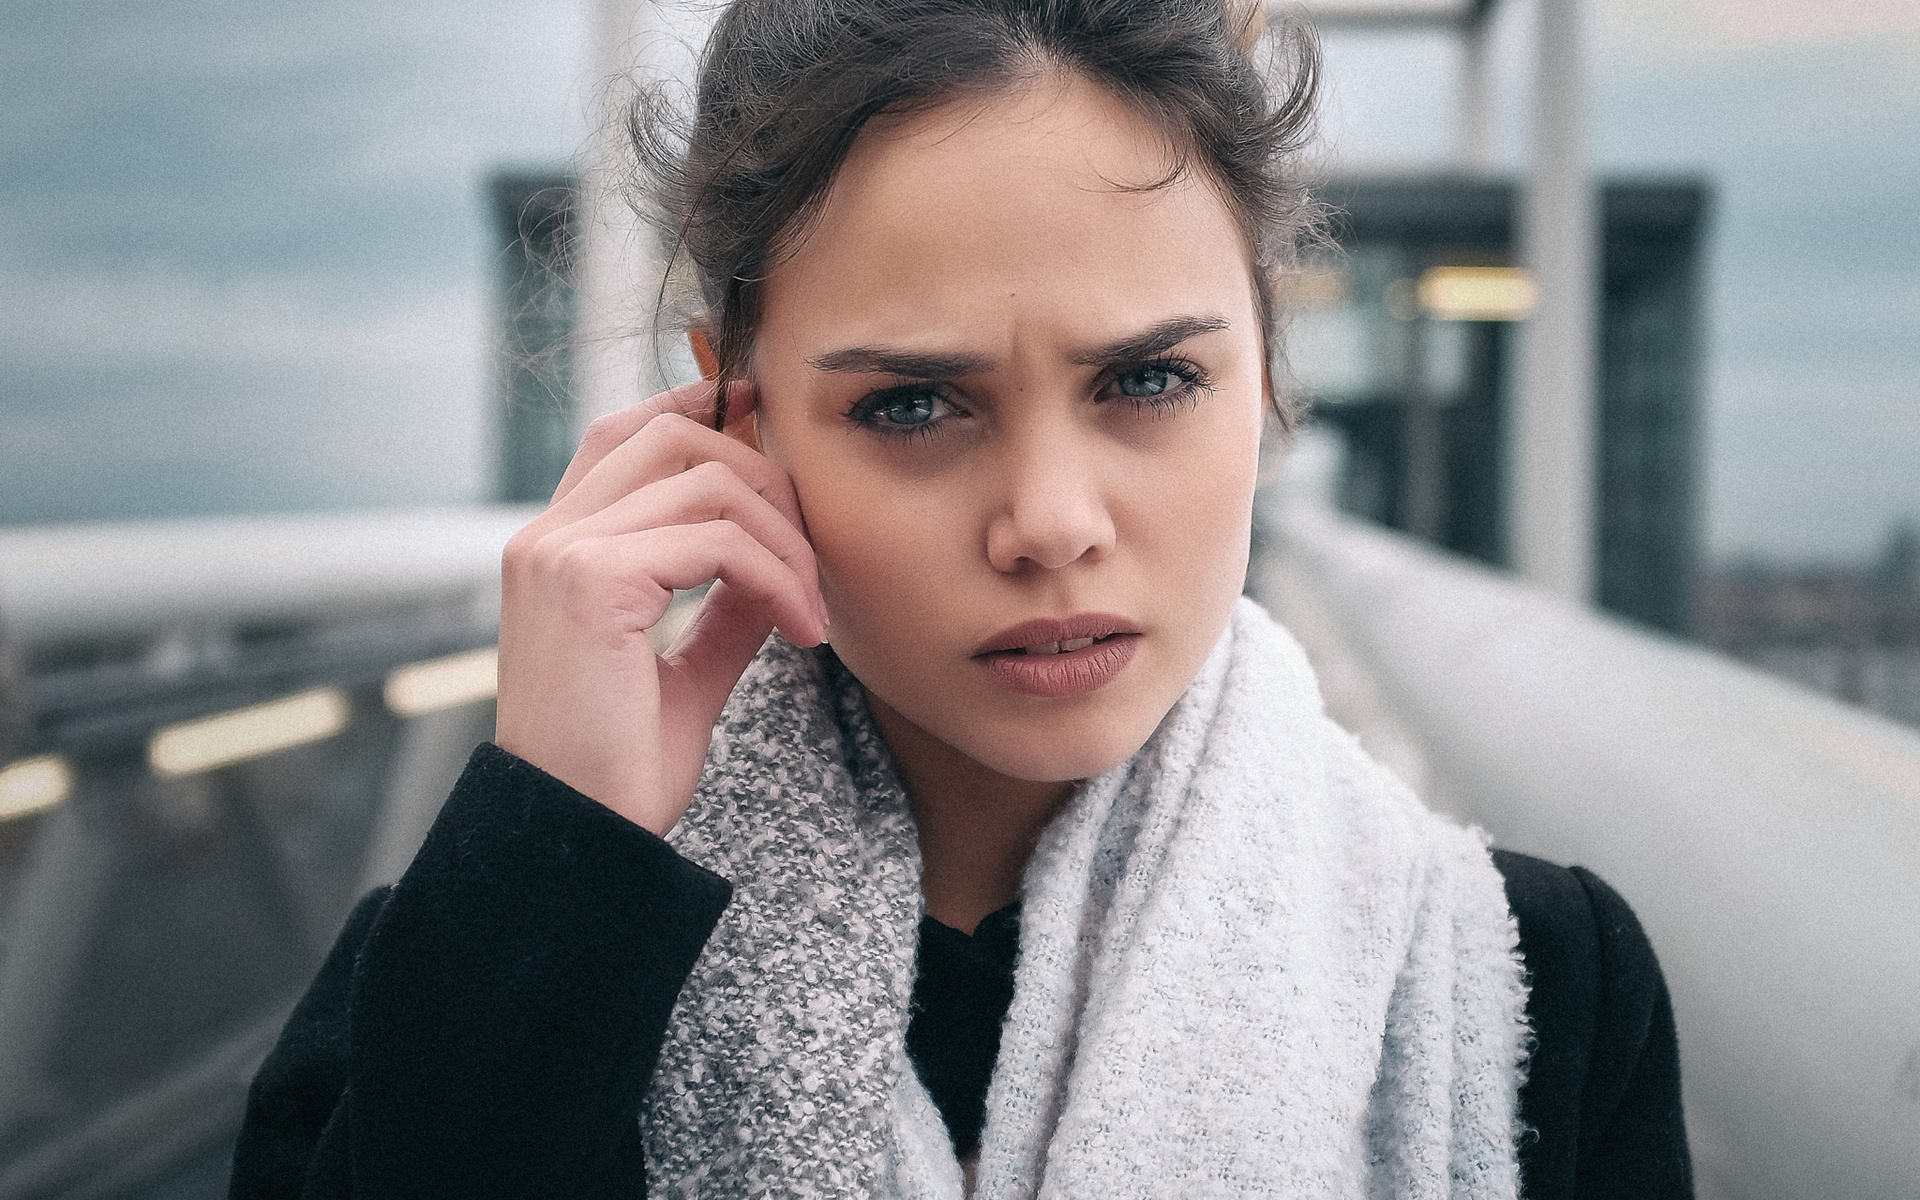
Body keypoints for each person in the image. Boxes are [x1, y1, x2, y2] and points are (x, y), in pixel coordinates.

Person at [230, 1, 1692, 1197]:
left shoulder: (1546, 999)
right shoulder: (466, 986)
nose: (1051, 525)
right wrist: (555, 854)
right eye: (916, 404)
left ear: (1269, 374)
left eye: (1150, 379)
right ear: (737, 421)